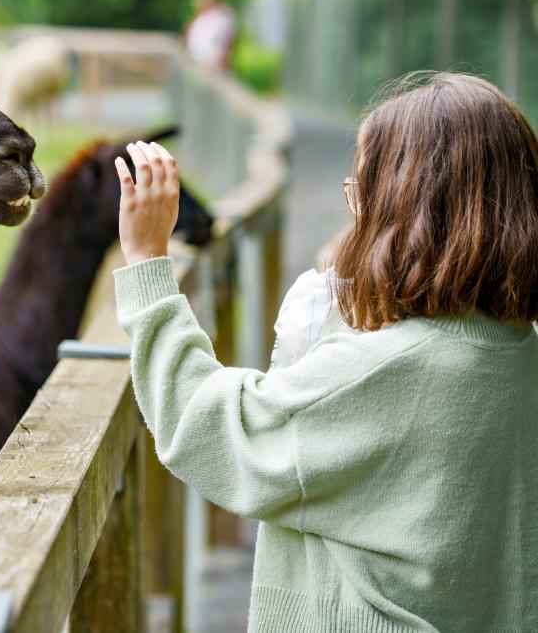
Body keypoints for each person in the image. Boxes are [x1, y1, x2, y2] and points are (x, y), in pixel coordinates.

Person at [112, 72, 538, 632]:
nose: (353, 213)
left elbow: (217, 428)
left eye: (362, 193)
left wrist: (147, 266)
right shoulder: (517, 353)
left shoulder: (386, 373)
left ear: (402, 211)